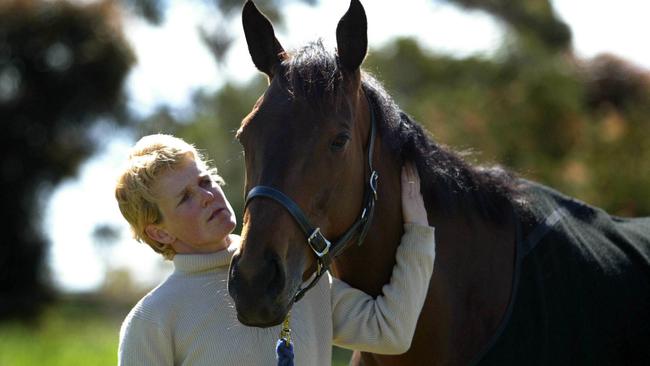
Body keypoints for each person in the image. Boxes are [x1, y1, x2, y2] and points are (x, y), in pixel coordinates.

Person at [116, 134, 435, 365]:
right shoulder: (151, 320)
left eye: (204, 181)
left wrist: (418, 231)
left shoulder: (289, 270)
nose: (207, 196)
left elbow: (389, 332)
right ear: (158, 231)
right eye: (185, 197)